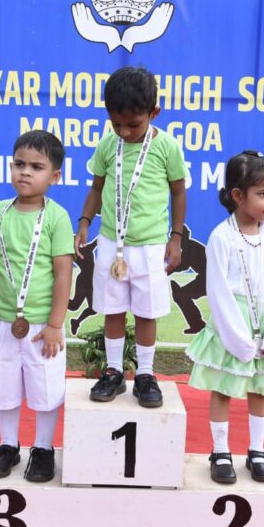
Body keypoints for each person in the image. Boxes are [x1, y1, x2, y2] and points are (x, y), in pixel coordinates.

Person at [0, 130, 74, 483]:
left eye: (36, 167)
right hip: (3, 320)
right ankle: (8, 445)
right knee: (4, 386)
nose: (25, 172)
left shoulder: (57, 218)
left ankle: (43, 448)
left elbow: (63, 274)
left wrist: (55, 324)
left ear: (54, 176)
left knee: (46, 387)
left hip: (43, 326)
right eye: (19, 164)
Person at [74, 65, 188, 408]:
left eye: (133, 124)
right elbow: (97, 188)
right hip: (112, 242)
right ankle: (113, 371)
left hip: (151, 246)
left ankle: (146, 375)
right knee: (113, 309)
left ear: (154, 113)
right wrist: (84, 222)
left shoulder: (167, 147)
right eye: (116, 123)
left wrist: (176, 238)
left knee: (146, 312)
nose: (123, 131)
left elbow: (178, 193)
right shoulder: (108, 145)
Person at [184, 151, 264, 485]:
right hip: (233, 325)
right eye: (263, 193)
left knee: (260, 388)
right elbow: (218, 293)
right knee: (224, 387)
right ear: (237, 195)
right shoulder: (222, 237)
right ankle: (220, 451)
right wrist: (239, 340)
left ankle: (257, 451)